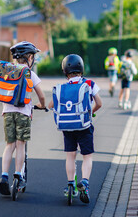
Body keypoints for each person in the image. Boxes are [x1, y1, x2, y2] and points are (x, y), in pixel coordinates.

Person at [48, 54, 102, 204]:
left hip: (68, 127)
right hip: (84, 125)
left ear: (65, 71)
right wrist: (91, 111)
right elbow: (99, 102)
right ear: (82, 68)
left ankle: (71, 184)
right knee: (87, 156)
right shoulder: (89, 83)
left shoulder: (63, 88)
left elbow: (51, 105)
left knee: (70, 156)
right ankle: (84, 182)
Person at [0, 41, 46, 195]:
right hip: (23, 113)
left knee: (9, 145)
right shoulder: (29, 73)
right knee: (20, 144)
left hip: (7, 112)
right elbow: (41, 95)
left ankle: (4, 176)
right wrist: (41, 105)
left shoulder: (8, 72)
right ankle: (18, 174)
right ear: (29, 57)